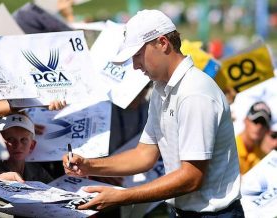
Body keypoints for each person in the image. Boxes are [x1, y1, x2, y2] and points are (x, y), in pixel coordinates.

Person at [63, 9, 244, 217]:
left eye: (138, 55)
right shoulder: (162, 88)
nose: (135, 65)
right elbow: (144, 155)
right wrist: (88, 165)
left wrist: (121, 196)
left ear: (163, 43)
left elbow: (191, 177)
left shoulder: (195, 93)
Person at [0, 113, 54, 217]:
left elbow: (55, 193)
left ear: (32, 145)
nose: (17, 145)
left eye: (23, 140)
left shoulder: (37, 171)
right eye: (10, 139)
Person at [235, 101, 271, 174]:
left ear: (267, 130)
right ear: (246, 120)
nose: (259, 126)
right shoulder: (228, 148)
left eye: (263, 123)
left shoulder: (264, 158)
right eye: (256, 121)